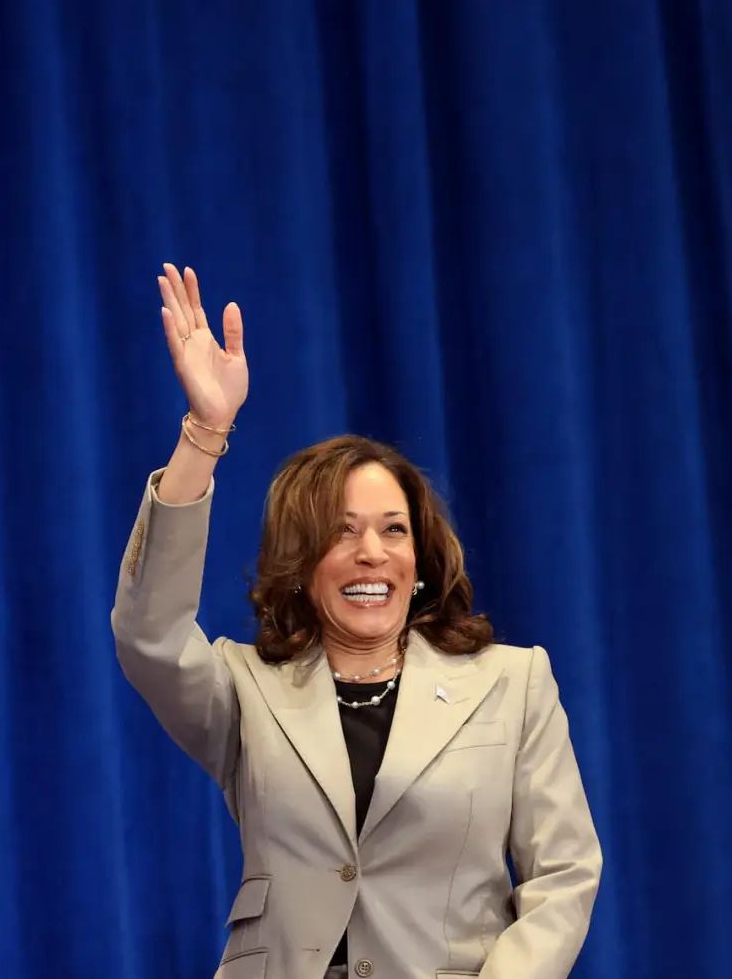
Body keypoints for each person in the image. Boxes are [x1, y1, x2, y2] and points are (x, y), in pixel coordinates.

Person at [112, 264, 602, 979]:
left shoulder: (513, 682)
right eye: (341, 533)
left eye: (393, 530)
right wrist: (206, 432)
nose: (372, 553)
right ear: (302, 562)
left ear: (421, 556)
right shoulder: (246, 690)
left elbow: (563, 875)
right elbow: (147, 632)